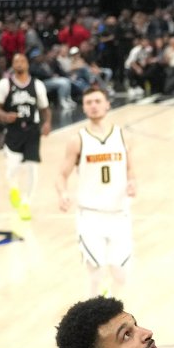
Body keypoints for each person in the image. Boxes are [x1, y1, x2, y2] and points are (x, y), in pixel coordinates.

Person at [56, 87, 136, 297]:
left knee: (120, 274)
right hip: (90, 215)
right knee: (96, 273)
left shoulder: (123, 136)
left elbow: (130, 169)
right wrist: (63, 193)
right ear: (83, 107)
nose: (93, 105)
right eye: (88, 102)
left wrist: (132, 183)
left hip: (119, 213)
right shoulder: (78, 140)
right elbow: (61, 175)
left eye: (97, 101)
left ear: (107, 104)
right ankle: (94, 325)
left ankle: (115, 312)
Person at [0, 52, 51, 220]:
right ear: (12, 64)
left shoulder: (37, 85)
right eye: (16, 61)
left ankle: (26, 203)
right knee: (12, 169)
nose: (19, 64)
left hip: (32, 130)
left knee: (32, 168)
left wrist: (47, 123)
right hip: (13, 131)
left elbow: (45, 108)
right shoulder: (5, 84)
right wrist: (3, 116)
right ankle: (14, 190)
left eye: (22, 61)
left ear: (27, 64)